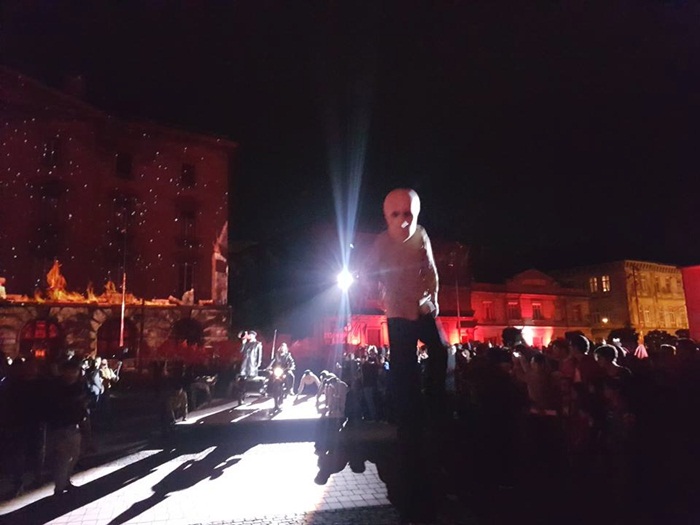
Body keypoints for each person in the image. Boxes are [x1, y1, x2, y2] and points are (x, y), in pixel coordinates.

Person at [364, 187, 448, 524]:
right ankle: (408, 410)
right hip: (399, 311)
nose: (403, 221)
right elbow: (368, 272)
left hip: (420, 307)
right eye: (396, 214)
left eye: (408, 214)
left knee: (440, 349)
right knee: (403, 366)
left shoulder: (421, 235)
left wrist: (434, 297)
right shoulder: (381, 243)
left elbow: (431, 268)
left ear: (417, 213)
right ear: (386, 217)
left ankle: (434, 397)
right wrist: (379, 296)